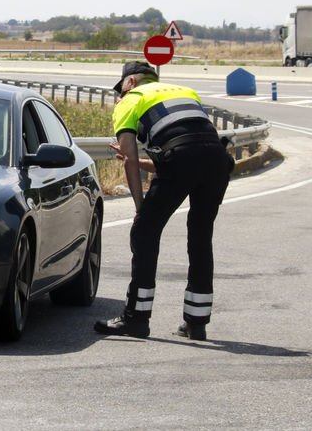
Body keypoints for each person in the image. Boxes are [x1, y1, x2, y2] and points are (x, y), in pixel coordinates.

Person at [94, 61, 232, 340]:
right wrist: (142, 163)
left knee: (145, 232)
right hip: (217, 160)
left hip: (185, 158)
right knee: (200, 237)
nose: (119, 93)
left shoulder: (130, 101)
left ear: (130, 82)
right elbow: (187, 151)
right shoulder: (185, 92)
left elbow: (133, 160)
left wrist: (139, 207)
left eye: (120, 87)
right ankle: (196, 322)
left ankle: (136, 319)